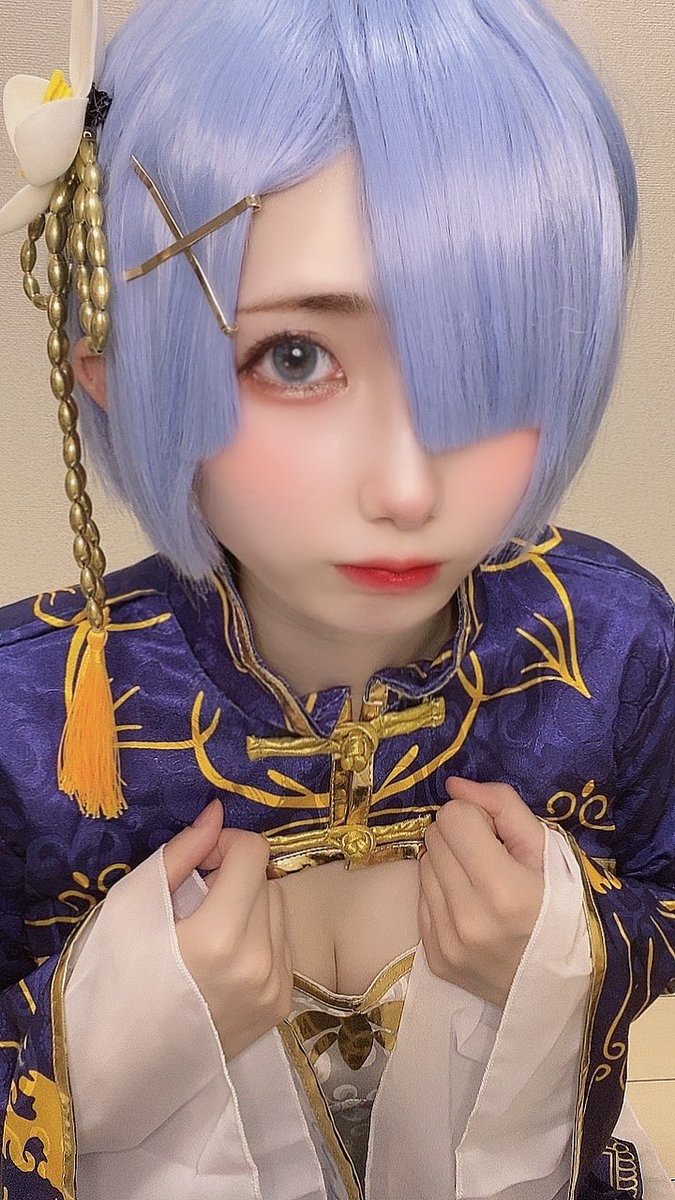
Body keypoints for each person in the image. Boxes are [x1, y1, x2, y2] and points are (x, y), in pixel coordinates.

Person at [0, 0, 673, 1197]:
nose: (409, 488)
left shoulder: (610, 643)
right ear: (111, 361)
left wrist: (578, 948)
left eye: (484, 361)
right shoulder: (29, 715)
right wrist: (91, 1045)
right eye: (296, 358)